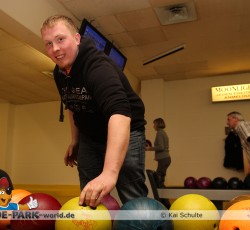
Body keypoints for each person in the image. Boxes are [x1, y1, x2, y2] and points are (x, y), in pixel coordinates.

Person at [40, 15, 148, 207]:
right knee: (89, 194)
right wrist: (75, 140)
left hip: (127, 131)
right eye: (48, 43)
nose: (55, 48)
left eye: (60, 39)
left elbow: (120, 114)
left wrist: (109, 173)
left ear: (77, 39)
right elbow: (72, 105)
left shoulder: (97, 66)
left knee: (132, 196)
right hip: (91, 136)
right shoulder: (59, 73)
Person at [146, 118, 171, 188]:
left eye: (154, 124)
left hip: (163, 159)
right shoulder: (163, 132)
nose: (153, 126)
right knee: (161, 177)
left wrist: (149, 148)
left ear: (157, 124)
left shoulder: (159, 133)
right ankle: (162, 195)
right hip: (166, 158)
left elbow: (161, 147)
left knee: (158, 178)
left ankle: (161, 196)